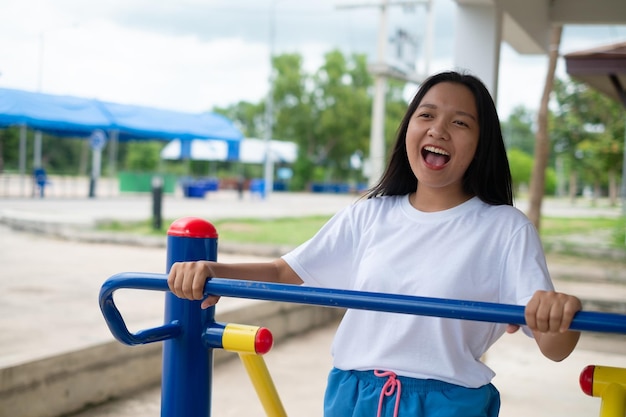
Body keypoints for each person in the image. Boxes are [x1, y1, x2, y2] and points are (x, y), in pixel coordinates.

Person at [168, 71, 582, 417]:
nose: (438, 129)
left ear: (481, 144)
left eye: (460, 122)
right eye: (427, 115)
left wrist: (561, 312)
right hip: (354, 397)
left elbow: (554, 347)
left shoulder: (504, 229)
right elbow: (285, 271)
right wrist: (214, 273)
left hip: (448, 404)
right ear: (409, 129)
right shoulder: (370, 214)